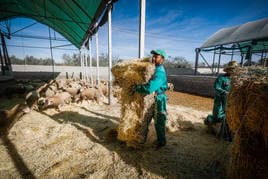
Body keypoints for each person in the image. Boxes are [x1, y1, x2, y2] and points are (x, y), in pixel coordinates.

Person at [136, 49, 168, 149]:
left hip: (158, 99)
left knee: (159, 122)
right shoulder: (153, 69)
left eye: (156, 56)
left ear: (162, 59)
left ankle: (161, 143)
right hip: (151, 99)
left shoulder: (160, 72)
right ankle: (140, 141)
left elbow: (150, 88)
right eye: (153, 56)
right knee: (144, 120)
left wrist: (137, 88)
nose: (153, 58)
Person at [205, 60, 238, 140]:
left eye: (235, 69)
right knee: (218, 116)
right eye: (232, 69)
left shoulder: (236, 80)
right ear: (228, 70)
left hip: (230, 102)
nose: (234, 71)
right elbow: (216, 88)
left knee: (229, 117)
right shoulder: (221, 78)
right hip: (220, 101)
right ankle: (210, 121)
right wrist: (224, 92)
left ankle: (227, 133)